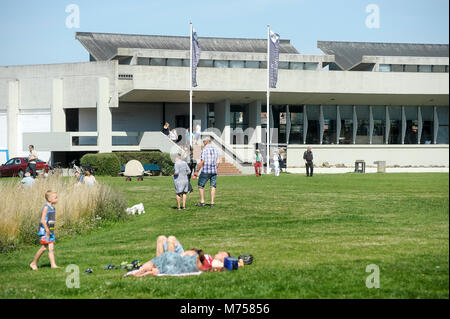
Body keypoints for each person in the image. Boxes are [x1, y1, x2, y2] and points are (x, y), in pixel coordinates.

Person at [30, 191, 60, 270]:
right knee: (44, 248)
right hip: (45, 231)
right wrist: (47, 230)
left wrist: (51, 231)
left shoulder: (53, 208)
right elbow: (42, 220)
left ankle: (53, 265)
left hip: (50, 231)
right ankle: (33, 263)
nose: (57, 199)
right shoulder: (46, 207)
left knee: (51, 248)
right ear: (50, 199)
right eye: (55, 197)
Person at [129, 249, 204, 277]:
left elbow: (181, 255)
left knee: (152, 263)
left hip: (172, 255)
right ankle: (149, 272)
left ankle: (141, 269)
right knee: (156, 270)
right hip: (175, 265)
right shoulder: (196, 259)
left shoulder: (191, 252)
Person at [193, 137, 219, 207]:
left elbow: (202, 161)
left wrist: (197, 171)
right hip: (214, 171)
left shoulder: (204, 150)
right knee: (213, 186)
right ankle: (212, 203)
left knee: (200, 185)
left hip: (206, 170)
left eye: (203, 142)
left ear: (206, 142)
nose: (203, 144)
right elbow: (217, 162)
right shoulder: (215, 149)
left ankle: (202, 201)